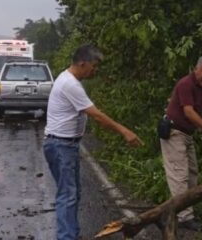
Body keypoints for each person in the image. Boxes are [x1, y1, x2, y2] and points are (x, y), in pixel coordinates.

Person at [43, 44, 143, 240]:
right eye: (93, 66)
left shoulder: (69, 80)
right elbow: (97, 115)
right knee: (68, 195)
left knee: (72, 193)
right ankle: (67, 237)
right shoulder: (69, 84)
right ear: (82, 63)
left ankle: (70, 234)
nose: (94, 71)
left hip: (64, 145)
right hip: (61, 146)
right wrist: (124, 131)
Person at [160, 56, 202, 231]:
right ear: (196, 69)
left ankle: (179, 209)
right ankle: (184, 217)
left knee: (192, 173)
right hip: (174, 132)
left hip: (188, 134)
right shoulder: (185, 84)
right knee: (179, 174)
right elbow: (189, 112)